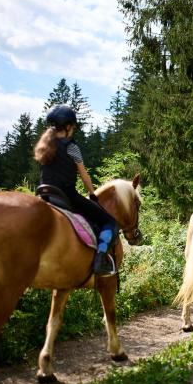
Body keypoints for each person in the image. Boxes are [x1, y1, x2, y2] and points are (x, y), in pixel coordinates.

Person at [34, 104, 118, 277]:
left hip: (44, 194)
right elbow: (84, 175)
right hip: (65, 195)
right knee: (110, 222)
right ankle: (100, 259)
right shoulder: (72, 147)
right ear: (67, 126)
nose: (73, 129)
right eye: (72, 126)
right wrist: (93, 195)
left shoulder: (44, 146)